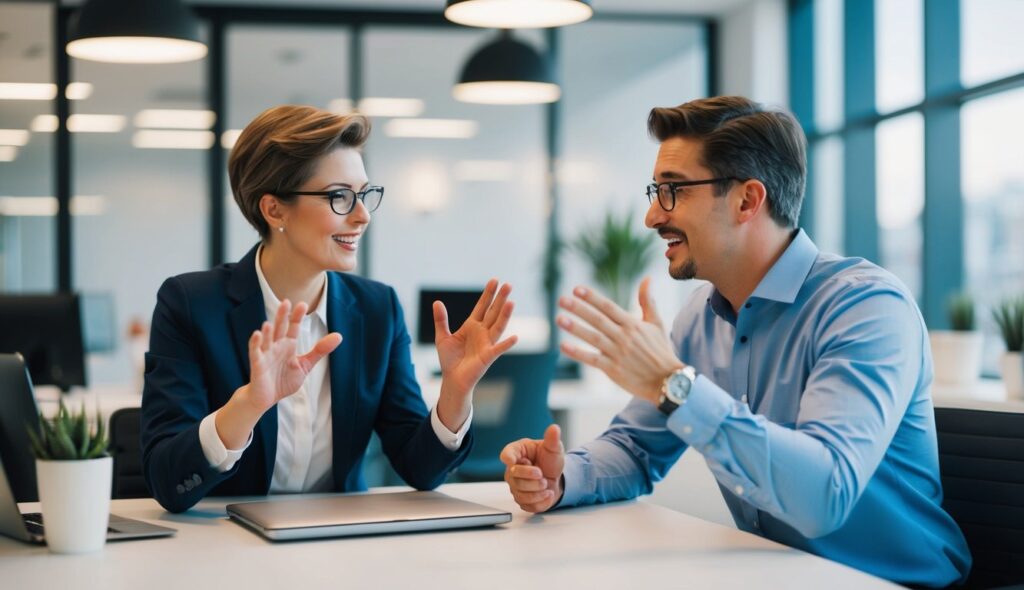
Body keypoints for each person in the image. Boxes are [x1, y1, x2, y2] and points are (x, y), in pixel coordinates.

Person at [499, 96, 970, 588]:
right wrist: (562, 479)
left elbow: (824, 494)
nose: (651, 218)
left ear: (748, 200)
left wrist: (672, 383)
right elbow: (637, 449)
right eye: (656, 191)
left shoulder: (865, 308)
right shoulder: (699, 320)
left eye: (672, 191)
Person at [142, 105, 517, 513]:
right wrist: (248, 405)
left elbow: (420, 469)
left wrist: (454, 394)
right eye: (339, 196)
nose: (362, 216)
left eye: (365, 195)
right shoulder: (191, 304)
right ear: (274, 209)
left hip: (339, 544)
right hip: (227, 546)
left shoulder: (377, 309)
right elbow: (168, 482)